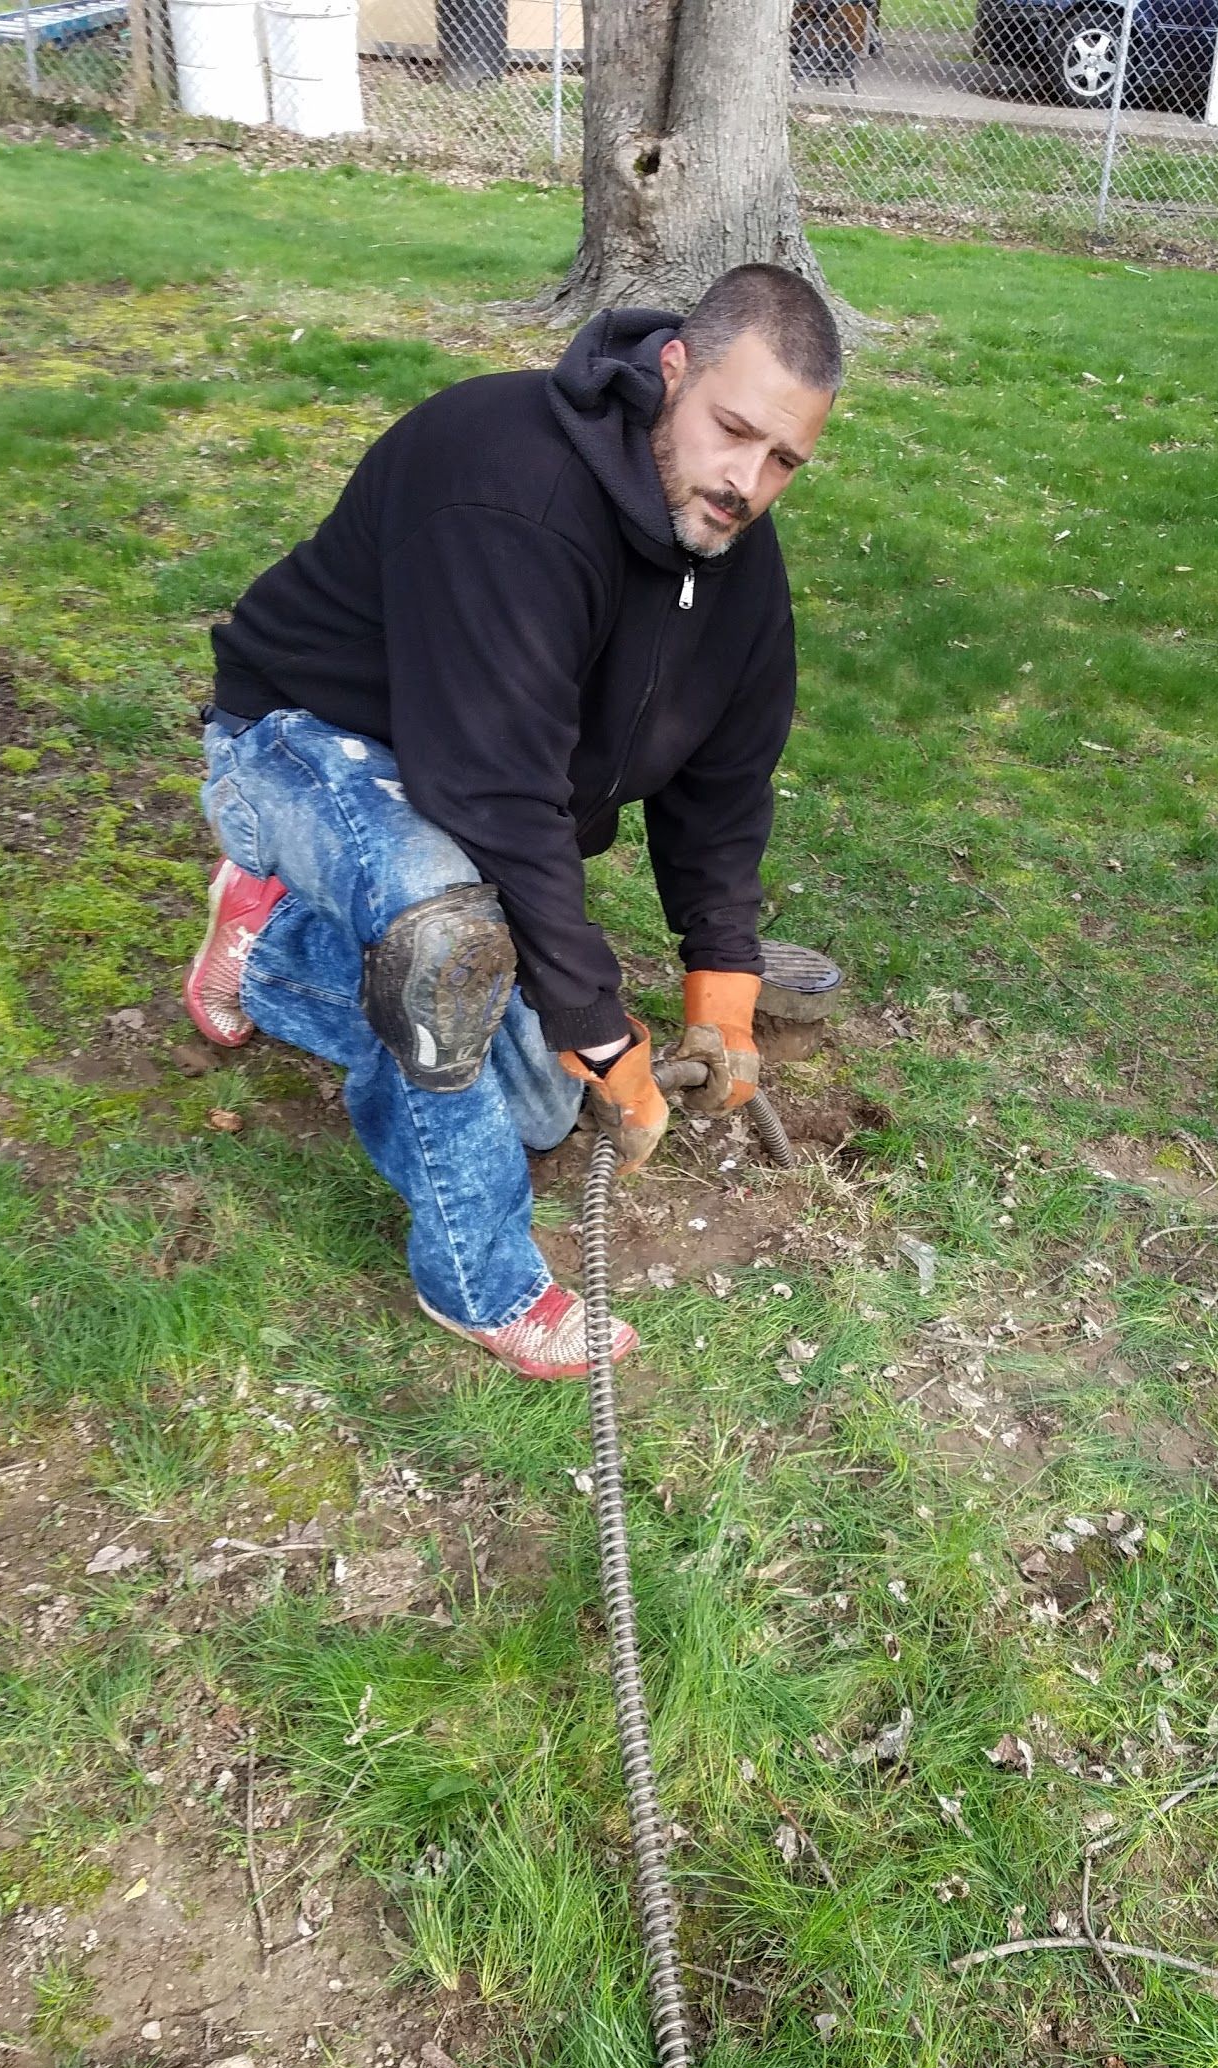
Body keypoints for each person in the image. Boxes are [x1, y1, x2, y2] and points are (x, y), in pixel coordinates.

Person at [184, 264, 842, 1379]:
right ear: (672, 370)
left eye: (784, 458)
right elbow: (493, 793)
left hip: (461, 769)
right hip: (302, 742)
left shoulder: (734, 558)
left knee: (534, 1111)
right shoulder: (515, 490)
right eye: (733, 430)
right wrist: (597, 1022)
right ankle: (480, 1280)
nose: (748, 480)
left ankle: (271, 955)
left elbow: (724, 784)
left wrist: (720, 985)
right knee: (447, 955)